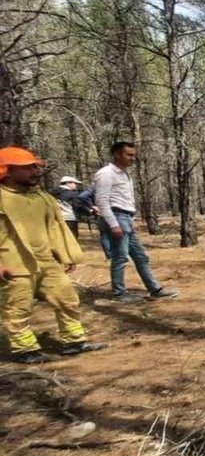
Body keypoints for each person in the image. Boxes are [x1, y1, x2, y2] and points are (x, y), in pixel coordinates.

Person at [0, 147, 107, 363]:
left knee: (67, 298)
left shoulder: (43, 198)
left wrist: (65, 254)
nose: (34, 171)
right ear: (7, 171)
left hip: (46, 262)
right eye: (27, 168)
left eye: (34, 167)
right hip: (13, 265)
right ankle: (25, 350)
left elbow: (56, 228)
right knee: (17, 308)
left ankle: (74, 341)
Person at [93, 141, 178, 303]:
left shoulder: (124, 174)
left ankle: (155, 289)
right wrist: (114, 224)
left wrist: (130, 220)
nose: (133, 158)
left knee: (141, 257)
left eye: (134, 155)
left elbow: (125, 199)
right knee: (120, 257)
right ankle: (119, 294)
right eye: (129, 155)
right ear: (117, 154)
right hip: (116, 217)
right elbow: (101, 201)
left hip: (125, 218)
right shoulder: (106, 173)